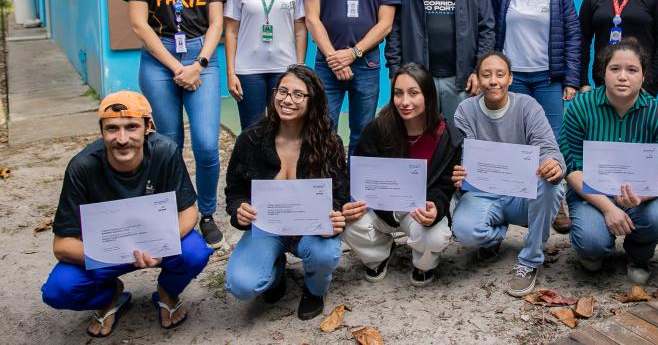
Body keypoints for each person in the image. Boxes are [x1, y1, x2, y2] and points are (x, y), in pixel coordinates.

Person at [41, 91, 212, 338]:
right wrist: (115, 255)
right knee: (59, 290)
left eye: (132, 127)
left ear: (148, 127)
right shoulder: (82, 167)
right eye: (112, 129)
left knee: (194, 252)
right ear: (102, 131)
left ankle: (167, 290)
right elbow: (62, 245)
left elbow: (188, 212)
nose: (122, 139)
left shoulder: (165, 151)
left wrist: (159, 246)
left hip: (155, 247)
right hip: (104, 254)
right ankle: (109, 295)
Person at [124, 0, 227, 249]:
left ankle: (208, 213)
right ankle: (175, 211)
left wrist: (197, 65)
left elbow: (217, 25)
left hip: (203, 58)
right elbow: (139, 24)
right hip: (159, 58)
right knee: (168, 144)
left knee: (206, 145)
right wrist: (175, 67)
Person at [223, 65, 348, 320]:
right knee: (242, 284)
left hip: (310, 231)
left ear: (313, 101)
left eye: (298, 94)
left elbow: (339, 195)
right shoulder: (251, 139)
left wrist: (334, 218)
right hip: (267, 229)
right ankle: (275, 270)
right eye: (282, 91)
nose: (287, 100)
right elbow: (234, 190)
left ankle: (314, 291)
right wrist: (239, 209)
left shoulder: (329, 142)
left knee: (325, 252)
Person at [560, 38, 658, 284]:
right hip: (590, 196)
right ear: (603, 73)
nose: (623, 76)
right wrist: (609, 208)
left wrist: (640, 197)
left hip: (639, 196)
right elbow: (572, 168)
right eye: (615, 69)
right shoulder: (580, 108)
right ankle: (596, 248)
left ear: (643, 76)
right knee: (592, 244)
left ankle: (638, 255)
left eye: (632, 70)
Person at [451, 51, 565, 297]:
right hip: (482, 193)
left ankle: (530, 260)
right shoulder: (465, 110)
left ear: (510, 78)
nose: (493, 81)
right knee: (465, 232)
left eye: (500, 74)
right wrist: (458, 174)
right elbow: (461, 157)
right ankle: (494, 236)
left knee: (553, 185)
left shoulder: (528, 106)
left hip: (521, 195)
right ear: (478, 79)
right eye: (486, 75)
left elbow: (549, 148)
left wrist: (554, 163)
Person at [342, 63, 463, 286]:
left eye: (413, 93)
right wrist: (348, 202)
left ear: (428, 95)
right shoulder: (376, 129)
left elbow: (445, 186)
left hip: (417, 212)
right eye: (398, 93)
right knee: (345, 221)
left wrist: (436, 206)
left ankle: (422, 263)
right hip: (380, 212)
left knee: (435, 236)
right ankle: (379, 253)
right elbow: (359, 176)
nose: (404, 102)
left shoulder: (448, 137)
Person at [303, 0, 399, 153]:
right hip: (327, 64)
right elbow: (312, 19)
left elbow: (385, 24)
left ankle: (356, 189)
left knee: (363, 133)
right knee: (322, 130)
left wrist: (353, 53)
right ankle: (328, 186)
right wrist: (335, 58)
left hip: (366, 65)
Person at [490, 0, 580, 137]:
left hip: (548, 79)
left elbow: (573, 36)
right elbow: (488, 33)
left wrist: (571, 80)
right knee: (514, 135)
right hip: (512, 78)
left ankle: (549, 171)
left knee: (551, 137)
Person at [225, 0, 307, 130]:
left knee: (284, 128)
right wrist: (231, 73)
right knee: (252, 131)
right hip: (248, 70)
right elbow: (231, 31)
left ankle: (282, 165)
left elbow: (300, 29)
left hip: (285, 68)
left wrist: (298, 69)